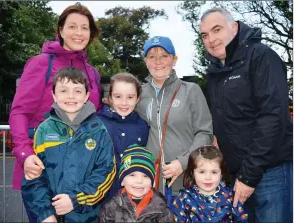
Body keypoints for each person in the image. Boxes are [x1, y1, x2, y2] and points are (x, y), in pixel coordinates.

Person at [9, 2, 101, 221]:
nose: (79, 33)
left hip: (81, 172)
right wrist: (24, 152)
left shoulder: (92, 73)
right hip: (42, 168)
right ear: (60, 30)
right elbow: (19, 111)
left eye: (85, 27)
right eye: (72, 26)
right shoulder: (41, 63)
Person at [199, 8, 293, 222]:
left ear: (234, 27)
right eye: (205, 35)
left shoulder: (261, 56)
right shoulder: (214, 71)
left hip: (270, 172)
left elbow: (272, 118)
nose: (211, 39)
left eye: (216, 30)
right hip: (237, 174)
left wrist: (249, 176)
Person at [21, 67, 116, 222]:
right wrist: (45, 213)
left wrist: (75, 200)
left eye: (77, 91)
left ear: (86, 96)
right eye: (64, 90)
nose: (71, 96)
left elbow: (106, 172)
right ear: (54, 95)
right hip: (52, 217)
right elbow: (33, 177)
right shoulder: (44, 130)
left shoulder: (99, 131)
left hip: (88, 217)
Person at [136, 36, 213, 196]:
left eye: (164, 56)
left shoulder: (191, 90)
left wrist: (183, 162)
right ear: (146, 61)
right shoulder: (138, 95)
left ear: (174, 59)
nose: (158, 62)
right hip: (149, 183)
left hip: (185, 180)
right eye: (152, 57)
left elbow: (204, 133)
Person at [98, 72, 149, 199]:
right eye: (118, 96)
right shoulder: (97, 123)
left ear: (138, 99)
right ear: (110, 97)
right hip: (100, 194)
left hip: (129, 196)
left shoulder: (142, 126)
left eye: (130, 97)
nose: (124, 102)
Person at [171, 145, 248, 222]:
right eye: (202, 172)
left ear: (221, 173)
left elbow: (242, 219)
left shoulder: (231, 198)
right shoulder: (183, 198)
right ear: (192, 173)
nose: (208, 177)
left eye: (214, 172)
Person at [99, 145, 174, 222]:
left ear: (152, 182)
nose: (139, 181)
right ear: (122, 181)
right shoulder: (111, 208)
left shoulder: (162, 209)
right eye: (132, 175)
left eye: (145, 176)